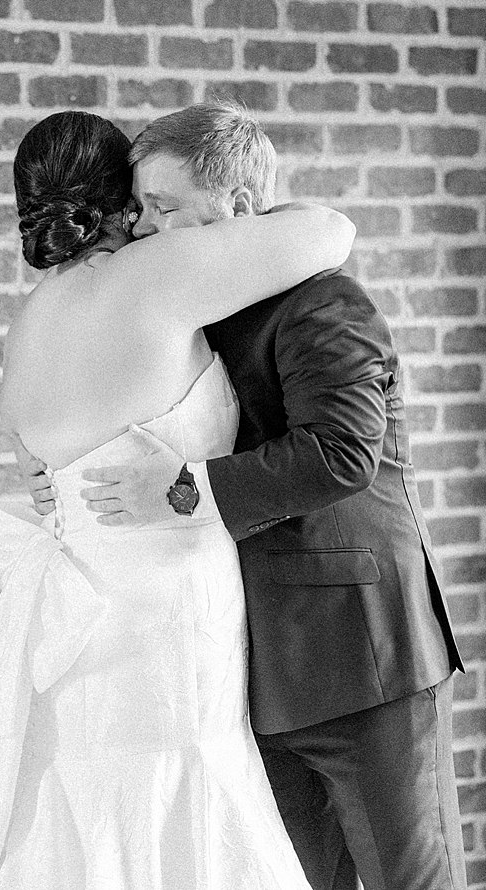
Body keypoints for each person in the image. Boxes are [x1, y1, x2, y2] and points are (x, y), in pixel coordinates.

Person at [0, 109, 357, 889]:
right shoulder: (154, 277)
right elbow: (330, 229)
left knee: (85, 807)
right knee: (182, 812)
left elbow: (37, 463)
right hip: (169, 611)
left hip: (75, 624)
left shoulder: (30, 320)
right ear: (122, 202)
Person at [55, 102, 464, 890]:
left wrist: (179, 490)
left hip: (363, 660)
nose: (143, 229)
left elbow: (341, 452)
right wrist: (71, 480)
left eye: (165, 209)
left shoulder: (324, 303)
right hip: (247, 667)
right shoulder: (199, 316)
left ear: (238, 208)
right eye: (141, 209)